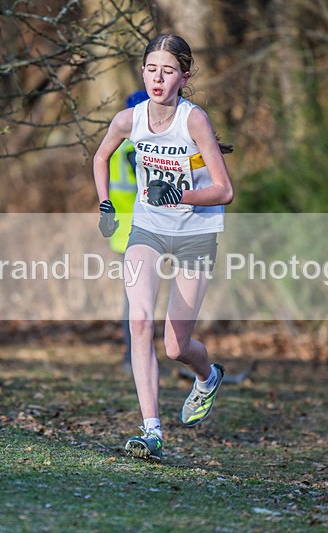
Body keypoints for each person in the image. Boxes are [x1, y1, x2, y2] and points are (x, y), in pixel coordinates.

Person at [93, 34, 234, 462]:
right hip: (148, 230)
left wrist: (179, 196)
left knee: (175, 346)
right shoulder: (128, 119)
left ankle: (207, 377)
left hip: (195, 233)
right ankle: (151, 431)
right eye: (152, 69)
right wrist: (105, 204)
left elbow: (225, 190)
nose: (158, 78)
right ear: (143, 72)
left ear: (183, 76)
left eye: (168, 71)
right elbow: (101, 157)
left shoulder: (194, 121)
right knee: (139, 322)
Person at [108, 90, 150, 376]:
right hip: (139, 229)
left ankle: (135, 355)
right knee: (138, 302)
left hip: (123, 231)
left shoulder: (117, 144)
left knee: (136, 299)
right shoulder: (137, 149)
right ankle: (133, 357)